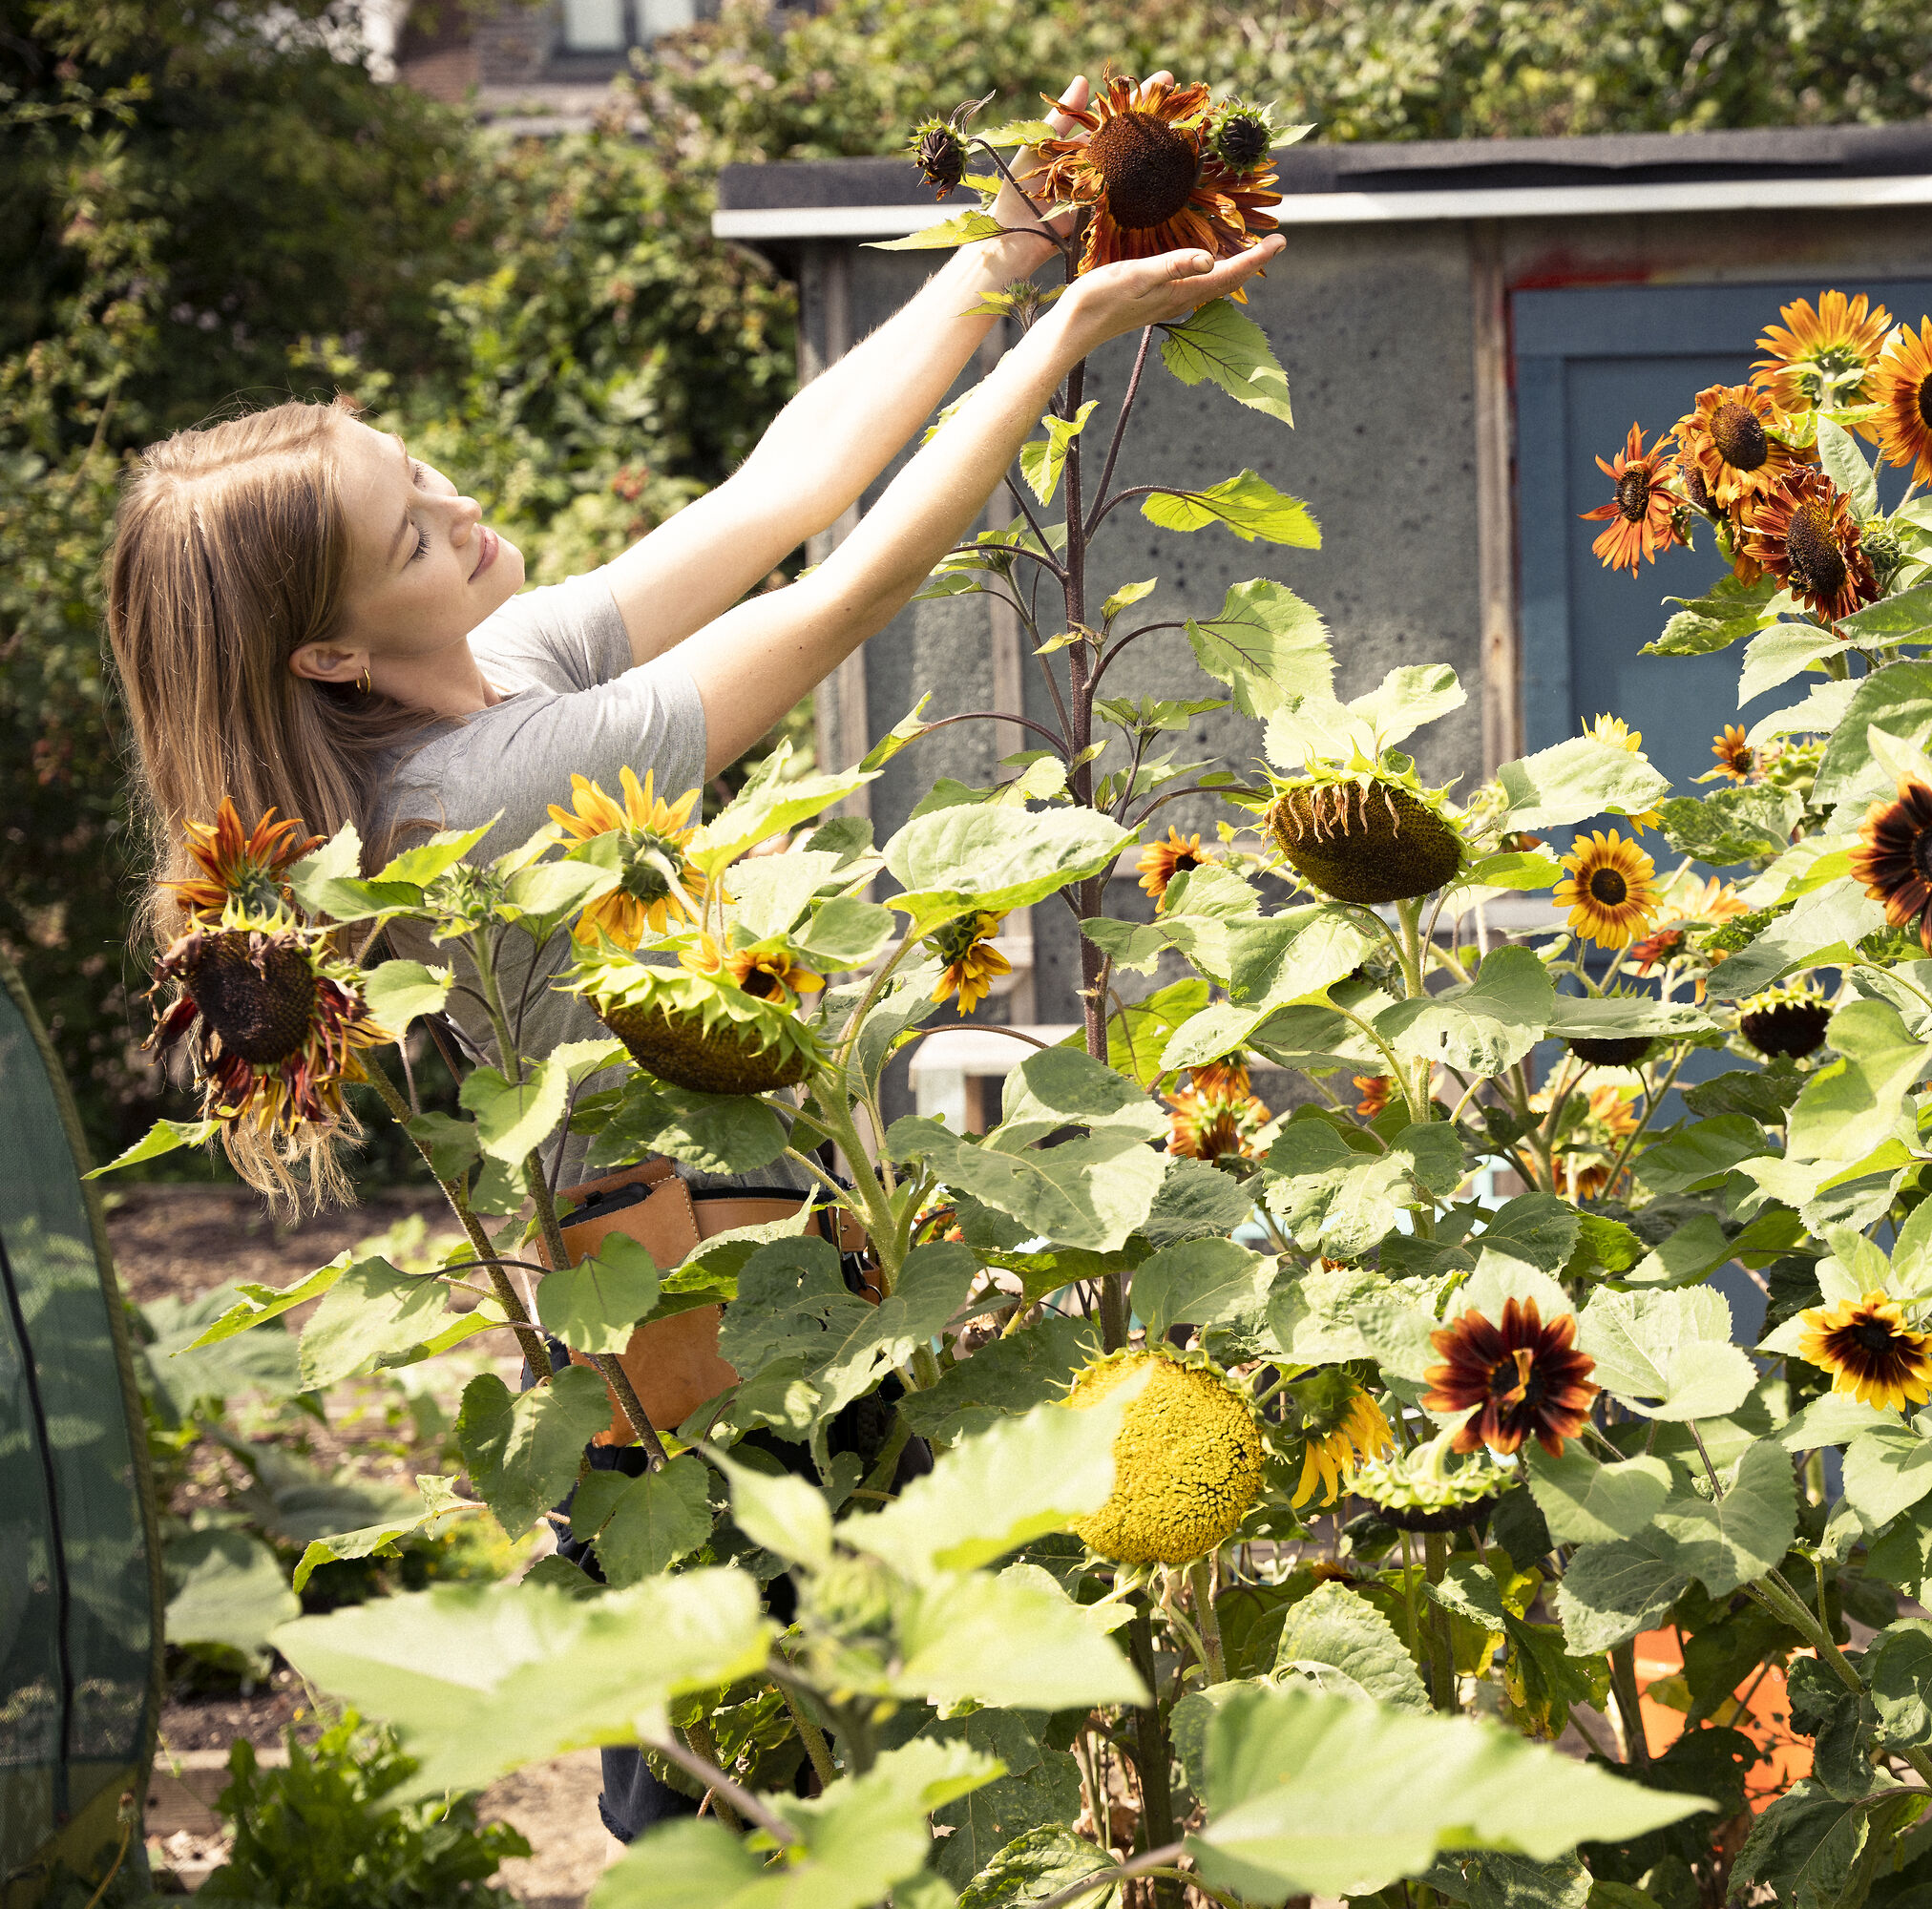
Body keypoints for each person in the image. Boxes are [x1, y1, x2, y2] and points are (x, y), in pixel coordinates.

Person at [103, 77, 1276, 1838]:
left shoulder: (502, 662)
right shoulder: (481, 788)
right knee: (757, 1770)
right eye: (414, 533)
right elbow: (845, 589)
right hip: (696, 1335)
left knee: (816, 1739)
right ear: (335, 657)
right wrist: (1072, 330)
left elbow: (782, 484)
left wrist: (1006, 256)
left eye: (416, 472)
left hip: (763, 1271)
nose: (461, 511)